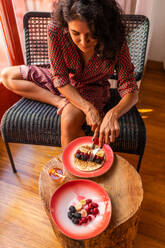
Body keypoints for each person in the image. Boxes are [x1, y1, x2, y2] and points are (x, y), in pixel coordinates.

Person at [1, 0, 138, 148]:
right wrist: (88, 108)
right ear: (67, 26)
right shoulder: (55, 29)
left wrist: (113, 114)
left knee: (69, 118)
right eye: (76, 33)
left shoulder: (115, 39)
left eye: (92, 35)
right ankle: (60, 101)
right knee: (7, 75)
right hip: (64, 82)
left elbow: (130, 88)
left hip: (92, 88)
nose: (84, 42)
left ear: (103, 29)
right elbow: (59, 77)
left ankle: (71, 169)